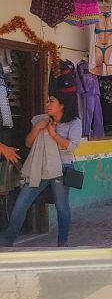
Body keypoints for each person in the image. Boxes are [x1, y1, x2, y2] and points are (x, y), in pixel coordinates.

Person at [1, 92, 82, 247]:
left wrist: (53, 134)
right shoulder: (40, 120)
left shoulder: (73, 122)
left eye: (51, 101)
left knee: (61, 205)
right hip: (40, 167)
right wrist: (38, 128)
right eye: (46, 101)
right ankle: (8, 238)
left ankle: (62, 241)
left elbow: (71, 146)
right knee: (22, 202)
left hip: (61, 168)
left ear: (62, 105)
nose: (47, 104)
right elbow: (28, 143)